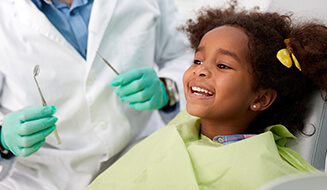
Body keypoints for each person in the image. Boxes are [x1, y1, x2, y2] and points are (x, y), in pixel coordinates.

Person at [86, 2, 327, 190]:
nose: (201, 71)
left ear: (261, 98)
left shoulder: (262, 168)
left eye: (222, 65)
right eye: (197, 60)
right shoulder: (180, 128)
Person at [0, 0, 191, 189]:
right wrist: (3, 140)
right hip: (43, 179)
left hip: (139, 154)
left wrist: (168, 89)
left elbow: (185, 55)